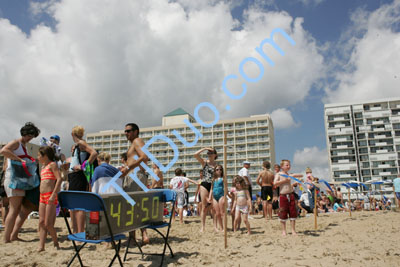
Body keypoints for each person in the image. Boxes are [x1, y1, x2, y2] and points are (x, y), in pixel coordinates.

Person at [0, 122, 40, 243]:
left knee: (16, 209)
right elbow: (3, 151)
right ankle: (7, 238)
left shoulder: (23, 145)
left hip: (19, 180)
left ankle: (12, 236)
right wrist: (20, 159)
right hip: (14, 179)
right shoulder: (16, 143)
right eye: (30, 135)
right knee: (14, 208)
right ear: (25, 133)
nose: (31, 138)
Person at [120, 123, 150, 244]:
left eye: (128, 131)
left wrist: (128, 168)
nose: (126, 133)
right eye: (125, 131)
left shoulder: (137, 141)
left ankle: (133, 237)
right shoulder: (134, 144)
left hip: (135, 176)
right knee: (138, 207)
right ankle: (144, 235)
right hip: (137, 175)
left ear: (136, 131)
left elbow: (144, 157)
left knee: (131, 207)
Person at [68, 125, 98, 234]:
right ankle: (76, 231)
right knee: (74, 206)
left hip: (78, 177)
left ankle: (79, 232)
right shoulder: (78, 145)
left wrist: (83, 166)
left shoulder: (81, 143)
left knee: (79, 206)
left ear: (72, 134)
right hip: (75, 177)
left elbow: (94, 153)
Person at [37, 146, 62, 251]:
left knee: (48, 224)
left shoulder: (52, 165)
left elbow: (59, 179)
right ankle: (41, 246)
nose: (37, 157)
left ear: (45, 155)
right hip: (42, 196)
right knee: (41, 222)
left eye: (39, 155)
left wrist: (53, 194)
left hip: (50, 195)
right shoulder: (43, 166)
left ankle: (56, 242)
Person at [273, 159, 303, 236]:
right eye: (287, 165)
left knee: (293, 212)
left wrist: (300, 176)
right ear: (282, 166)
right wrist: (285, 180)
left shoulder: (289, 175)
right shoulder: (279, 174)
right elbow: (275, 183)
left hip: (290, 195)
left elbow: (300, 175)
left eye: (289, 165)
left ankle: (293, 230)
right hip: (283, 196)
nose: (289, 166)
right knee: (283, 213)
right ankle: (284, 231)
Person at [194, 147, 218, 232]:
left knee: (214, 207)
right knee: (204, 207)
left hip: (213, 184)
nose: (209, 154)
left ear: (215, 155)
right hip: (204, 184)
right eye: (208, 153)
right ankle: (203, 227)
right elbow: (195, 154)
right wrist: (205, 148)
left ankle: (215, 227)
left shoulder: (217, 165)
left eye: (211, 153)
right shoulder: (204, 162)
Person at [209, 165, 225, 232]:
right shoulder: (213, 179)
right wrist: (210, 197)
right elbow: (211, 189)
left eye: (220, 169)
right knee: (217, 213)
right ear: (215, 171)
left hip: (221, 195)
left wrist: (225, 196)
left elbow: (226, 188)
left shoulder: (223, 178)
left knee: (222, 213)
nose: (219, 171)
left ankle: (224, 228)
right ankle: (221, 227)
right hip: (214, 196)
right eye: (217, 169)